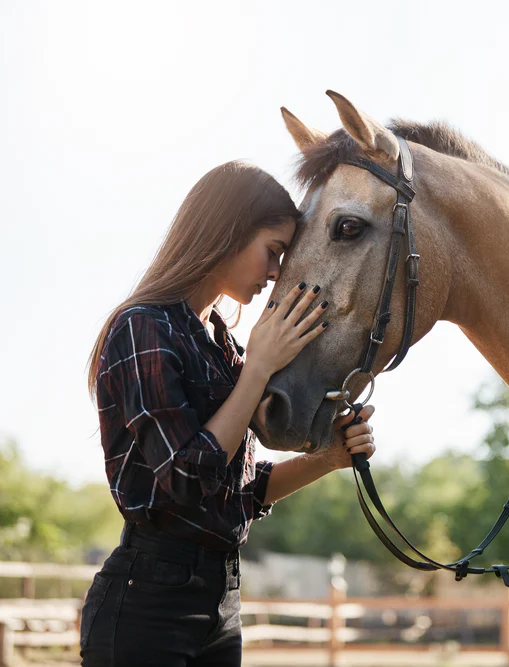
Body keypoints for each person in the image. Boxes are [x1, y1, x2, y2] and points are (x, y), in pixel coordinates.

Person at [79, 160, 375, 666]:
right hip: (148, 603)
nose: (277, 272)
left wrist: (327, 459)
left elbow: (239, 492)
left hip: (221, 603)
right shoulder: (142, 328)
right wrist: (258, 368)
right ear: (226, 234)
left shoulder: (220, 343)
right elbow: (187, 475)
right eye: (273, 252)